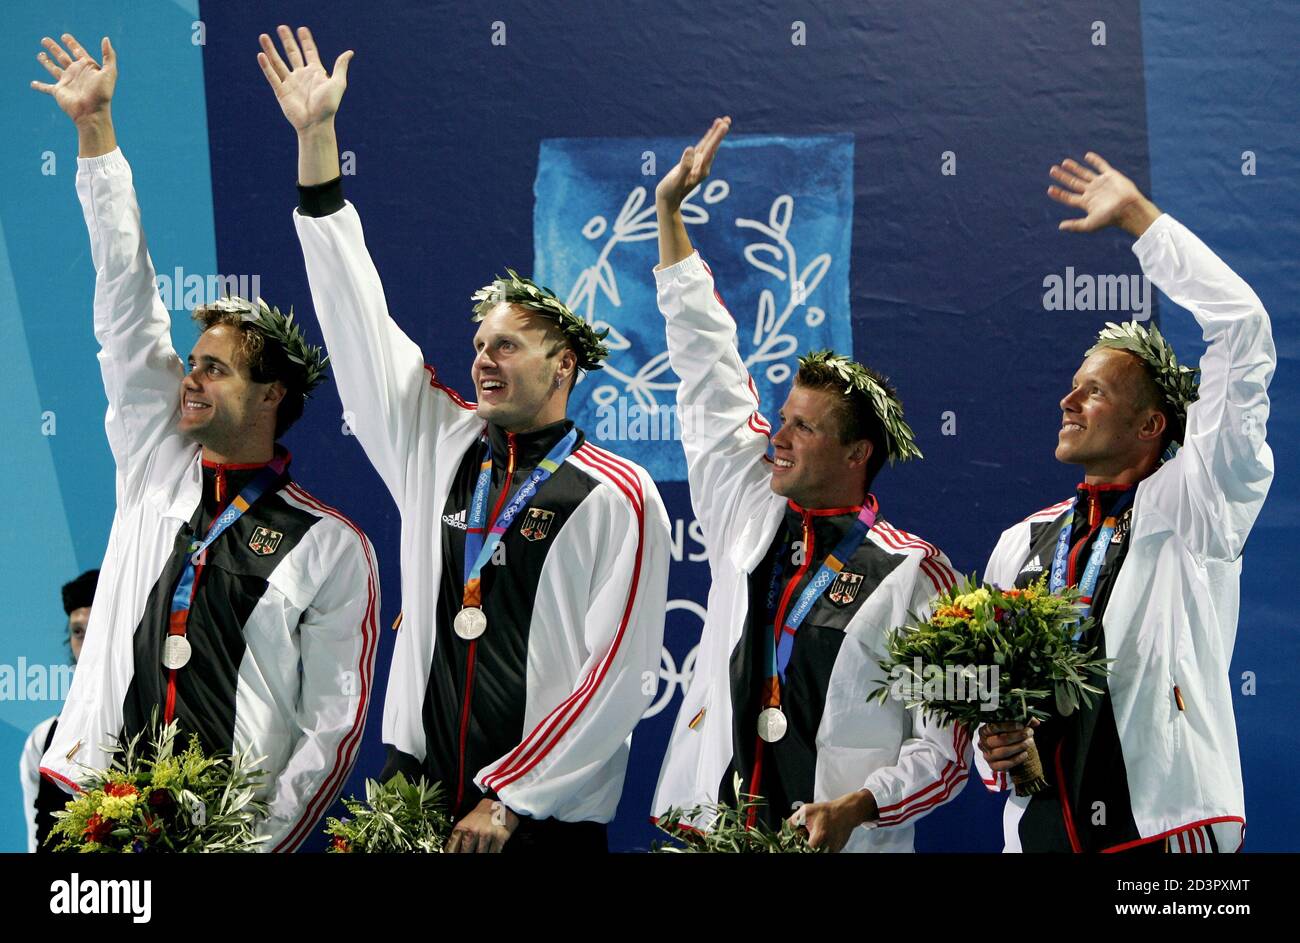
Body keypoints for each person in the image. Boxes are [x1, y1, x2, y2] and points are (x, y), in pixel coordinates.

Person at [258, 25, 670, 853]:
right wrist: (316, 145)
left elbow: (615, 678)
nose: (481, 359)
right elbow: (358, 318)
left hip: (534, 822)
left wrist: (510, 799)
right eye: (479, 343)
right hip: (413, 797)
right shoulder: (437, 440)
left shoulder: (618, 493)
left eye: (506, 345)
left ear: (565, 364)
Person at [29, 33, 379, 852]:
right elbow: (124, 296)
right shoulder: (157, 452)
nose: (191, 378)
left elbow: (329, 729)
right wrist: (96, 134)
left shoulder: (330, 548)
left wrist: (255, 843)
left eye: (215, 370)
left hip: (218, 835)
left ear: (271, 396)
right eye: (193, 363)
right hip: (89, 816)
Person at [649, 118, 969, 853]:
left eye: (803, 427)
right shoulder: (749, 499)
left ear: (858, 452)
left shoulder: (915, 574)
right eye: (780, 417)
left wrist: (859, 806)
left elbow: (945, 749)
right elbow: (706, 367)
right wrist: (670, 216)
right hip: (715, 835)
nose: (777, 436)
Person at [975, 153, 1274, 853]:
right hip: (1042, 834)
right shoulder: (1022, 543)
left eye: (1095, 390)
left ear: (1150, 426)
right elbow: (983, 699)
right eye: (1073, 385)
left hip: (1164, 834)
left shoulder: (1197, 503)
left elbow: (1243, 330)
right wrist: (996, 737)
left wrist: (1142, 221)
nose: (1068, 399)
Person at [19, 570, 97, 852]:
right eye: (78, 632)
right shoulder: (41, 742)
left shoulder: (155, 730)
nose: (87, 647)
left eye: (97, 630)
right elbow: (35, 842)